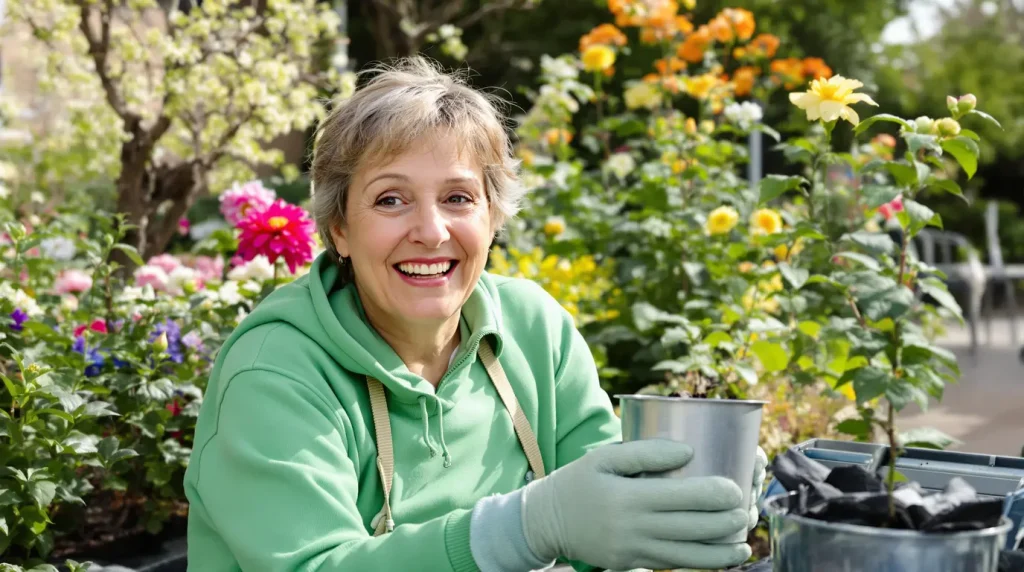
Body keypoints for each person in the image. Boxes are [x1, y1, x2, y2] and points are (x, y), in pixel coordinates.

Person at [183, 56, 768, 572]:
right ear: (339, 228)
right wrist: (525, 528)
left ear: (493, 216)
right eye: (391, 199)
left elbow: (601, 524)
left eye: (458, 198)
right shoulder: (274, 372)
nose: (431, 231)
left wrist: (673, 502)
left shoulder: (535, 330)